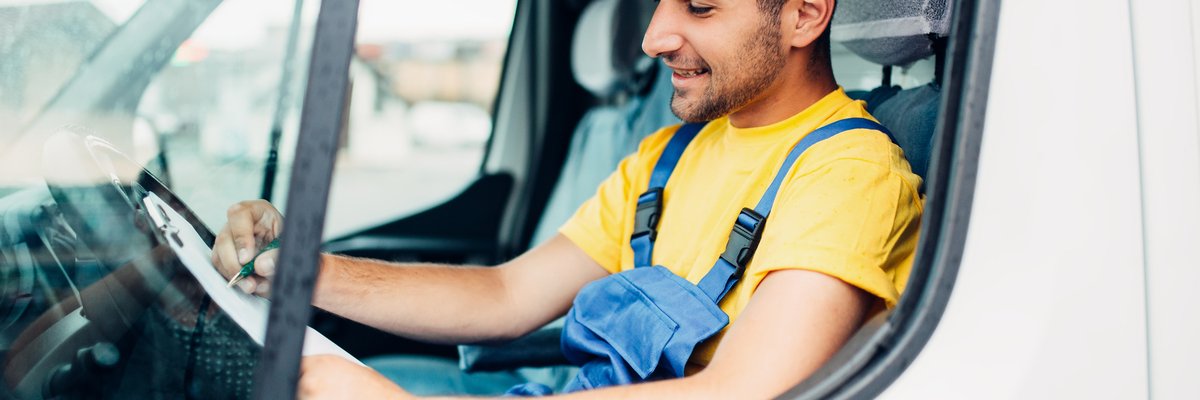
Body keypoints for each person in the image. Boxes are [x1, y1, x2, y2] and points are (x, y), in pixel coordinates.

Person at [211, 0, 923, 398]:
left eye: (699, 6)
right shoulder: (670, 154)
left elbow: (745, 392)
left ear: (804, 15)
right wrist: (299, 270)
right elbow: (504, 296)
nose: (653, 36)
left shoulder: (851, 172)